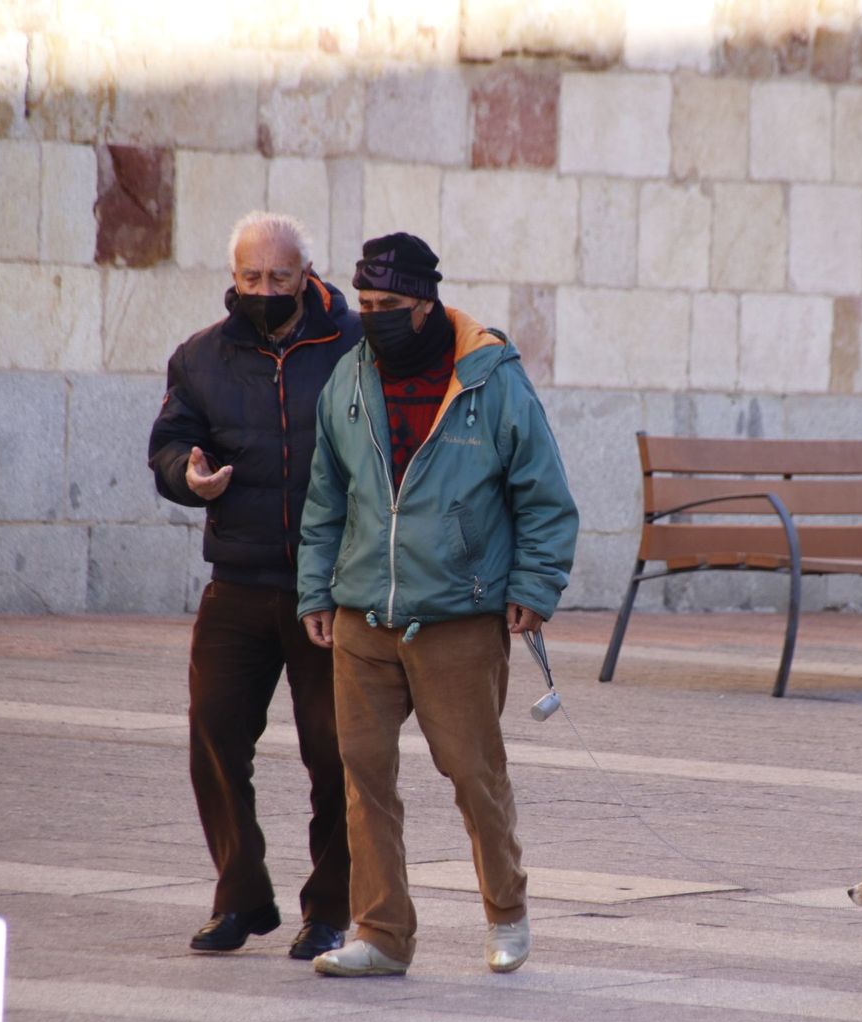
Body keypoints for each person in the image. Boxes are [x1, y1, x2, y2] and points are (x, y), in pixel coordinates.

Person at [296, 232, 578, 977]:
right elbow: (325, 497)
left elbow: (545, 497)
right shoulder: (348, 379)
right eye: (364, 305)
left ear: (427, 304)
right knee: (363, 776)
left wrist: (533, 587)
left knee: (473, 773)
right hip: (363, 613)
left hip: (458, 615)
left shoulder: (491, 379)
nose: (375, 318)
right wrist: (316, 590)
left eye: (390, 305)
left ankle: (507, 911)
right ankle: (383, 933)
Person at [147, 211, 360, 960]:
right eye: (250, 278)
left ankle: (330, 909)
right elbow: (170, 442)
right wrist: (189, 476)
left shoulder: (354, 347)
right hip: (237, 580)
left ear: (307, 275)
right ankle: (240, 895)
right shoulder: (201, 357)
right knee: (213, 732)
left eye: (278, 277)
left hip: (329, 590)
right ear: (233, 278)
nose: (264, 291)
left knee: (336, 753)